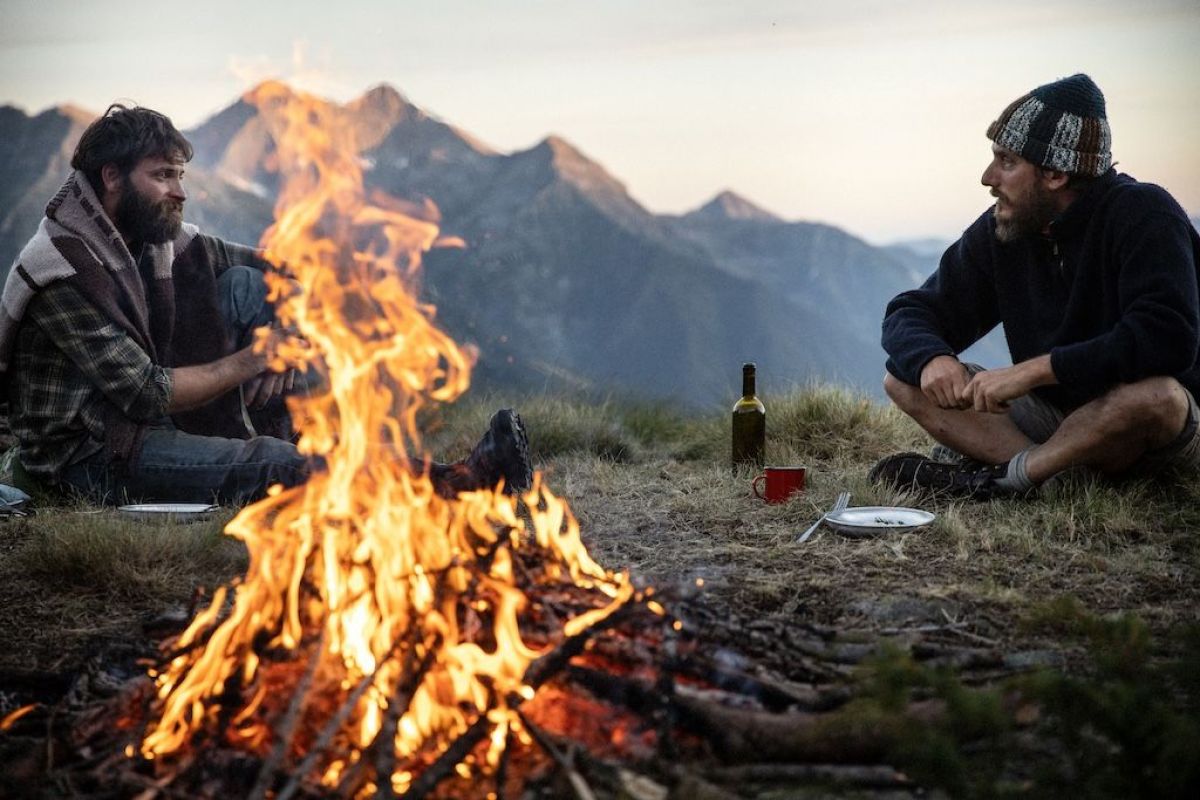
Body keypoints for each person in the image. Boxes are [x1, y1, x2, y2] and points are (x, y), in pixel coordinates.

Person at [0, 104, 531, 505]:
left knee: (246, 286)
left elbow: (271, 266)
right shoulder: (65, 271)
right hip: (91, 455)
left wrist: (321, 303)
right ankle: (458, 483)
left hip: (138, 418)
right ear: (111, 178)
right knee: (269, 466)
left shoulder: (146, 238)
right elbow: (146, 392)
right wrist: (254, 360)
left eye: (180, 175)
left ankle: (290, 428)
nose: (180, 192)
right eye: (163, 176)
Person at [872, 74, 1200, 499]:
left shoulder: (1144, 214)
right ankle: (1047, 482)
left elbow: (1167, 338)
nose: (988, 177)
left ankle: (1007, 480)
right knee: (904, 377)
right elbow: (911, 312)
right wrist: (933, 358)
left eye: (1006, 161)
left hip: (1152, 427)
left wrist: (1033, 371)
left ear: (1055, 174)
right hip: (1057, 420)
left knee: (1157, 396)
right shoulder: (1005, 231)